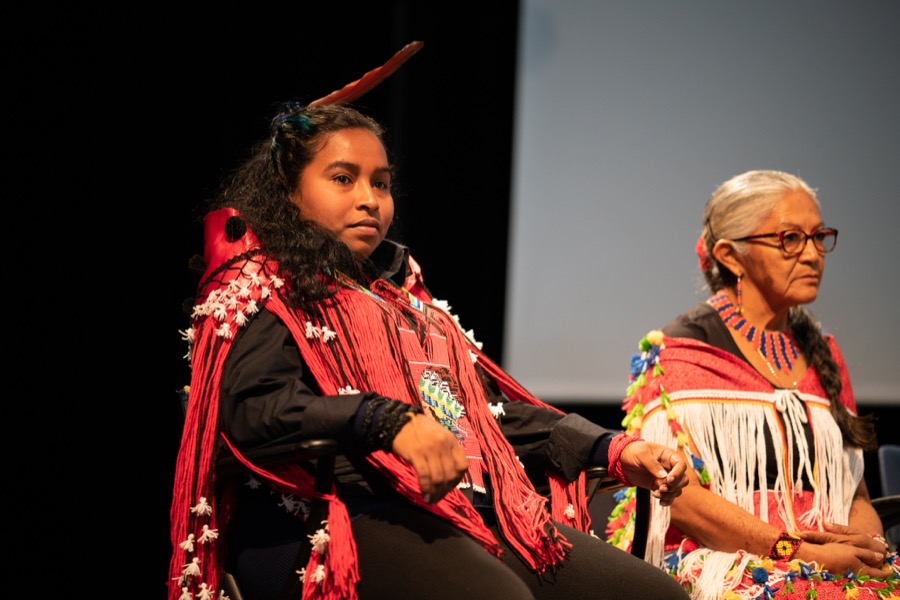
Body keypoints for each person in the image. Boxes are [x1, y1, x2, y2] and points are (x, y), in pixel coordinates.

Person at [167, 43, 690, 600]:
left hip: (463, 511)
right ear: (290, 195)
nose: (370, 199)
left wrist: (610, 448)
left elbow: (477, 420)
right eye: (343, 179)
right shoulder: (265, 284)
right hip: (333, 517)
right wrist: (385, 420)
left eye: (381, 182)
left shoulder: (407, 299)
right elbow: (254, 413)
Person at [606, 169, 899, 599]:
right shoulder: (679, 351)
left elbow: (853, 489)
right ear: (729, 255)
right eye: (791, 239)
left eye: (820, 237)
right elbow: (680, 499)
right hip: (722, 561)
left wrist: (868, 549)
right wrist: (794, 551)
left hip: (829, 558)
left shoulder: (826, 355)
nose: (814, 254)